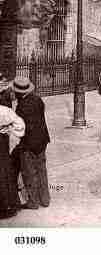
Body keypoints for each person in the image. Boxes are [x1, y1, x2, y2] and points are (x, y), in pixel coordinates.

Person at [10, 77, 50, 210]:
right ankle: (45, 199)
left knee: (29, 172)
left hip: (29, 143)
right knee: (41, 170)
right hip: (42, 140)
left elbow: (20, 129)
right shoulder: (38, 100)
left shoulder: (21, 106)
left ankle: (33, 201)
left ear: (19, 93)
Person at [0, 104, 25, 219]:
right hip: (3, 142)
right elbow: (20, 126)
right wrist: (11, 131)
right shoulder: (5, 111)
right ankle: (10, 204)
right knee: (6, 171)